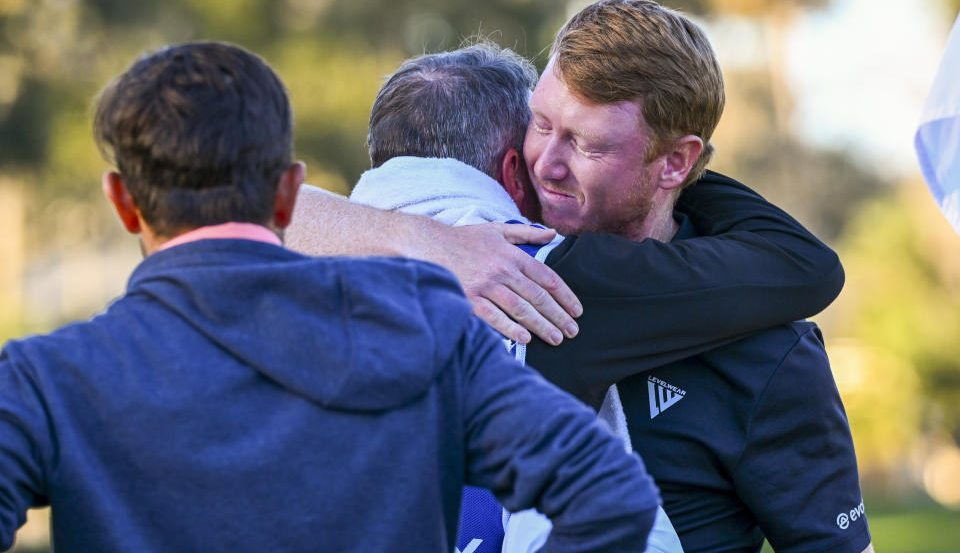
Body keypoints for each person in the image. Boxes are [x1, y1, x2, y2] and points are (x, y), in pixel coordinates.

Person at [0, 41, 665, 553]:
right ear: (290, 193)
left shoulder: (45, 382)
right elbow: (610, 495)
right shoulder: (426, 334)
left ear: (122, 201)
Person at [288, 0, 872, 553]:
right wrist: (435, 245)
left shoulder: (767, 349)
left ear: (676, 161)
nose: (547, 164)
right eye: (540, 124)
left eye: (588, 144)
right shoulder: (481, 251)